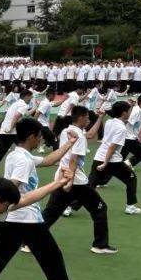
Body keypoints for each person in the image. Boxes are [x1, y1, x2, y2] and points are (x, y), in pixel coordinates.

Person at [0, 118, 89, 280]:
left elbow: (49, 160)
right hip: (26, 220)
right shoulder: (22, 160)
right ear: (31, 137)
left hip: (15, 220)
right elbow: (12, 186)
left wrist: (69, 143)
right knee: (52, 258)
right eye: (39, 136)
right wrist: (0, 205)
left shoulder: (18, 155)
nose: (41, 140)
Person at [42, 106, 116, 255]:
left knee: (51, 213)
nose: (89, 120)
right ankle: (100, 245)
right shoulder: (78, 136)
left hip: (64, 178)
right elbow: (74, 160)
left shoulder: (67, 131)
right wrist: (70, 181)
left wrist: (100, 118)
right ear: (81, 117)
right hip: (75, 181)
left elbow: (90, 134)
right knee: (100, 208)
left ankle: (28, 242)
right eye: (87, 117)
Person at [90, 100, 141, 214]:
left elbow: (126, 119)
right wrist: (105, 163)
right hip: (112, 161)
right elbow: (112, 147)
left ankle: (69, 207)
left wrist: (131, 106)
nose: (130, 112)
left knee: (90, 185)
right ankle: (130, 207)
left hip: (99, 157)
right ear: (124, 113)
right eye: (129, 111)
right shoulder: (121, 128)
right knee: (131, 178)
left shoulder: (110, 122)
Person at [0, 88, 33, 172]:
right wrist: (11, 128)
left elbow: (25, 114)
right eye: (31, 97)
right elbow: (16, 116)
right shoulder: (23, 105)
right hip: (12, 132)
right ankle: (27, 169)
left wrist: (36, 107)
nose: (31, 99)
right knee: (25, 149)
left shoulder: (16, 103)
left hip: (4, 131)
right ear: (27, 96)